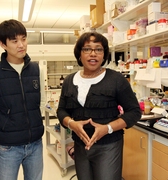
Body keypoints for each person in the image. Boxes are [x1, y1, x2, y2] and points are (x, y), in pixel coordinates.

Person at [57, 32, 141, 180]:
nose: (93, 54)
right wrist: (72, 124)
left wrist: (107, 128)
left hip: (108, 147)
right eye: (87, 49)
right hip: (80, 146)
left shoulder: (116, 80)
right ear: (80, 54)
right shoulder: (70, 81)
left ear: (104, 54)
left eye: (98, 49)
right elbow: (62, 110)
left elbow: (134, 112)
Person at [0, 19, 45, 180]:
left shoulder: (37, 69)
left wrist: (34, 123)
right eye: (14, 41)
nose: (21, 45)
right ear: (3, 44)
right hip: (8, 148)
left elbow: (42, 100)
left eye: (24, 39)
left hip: (35, 144)